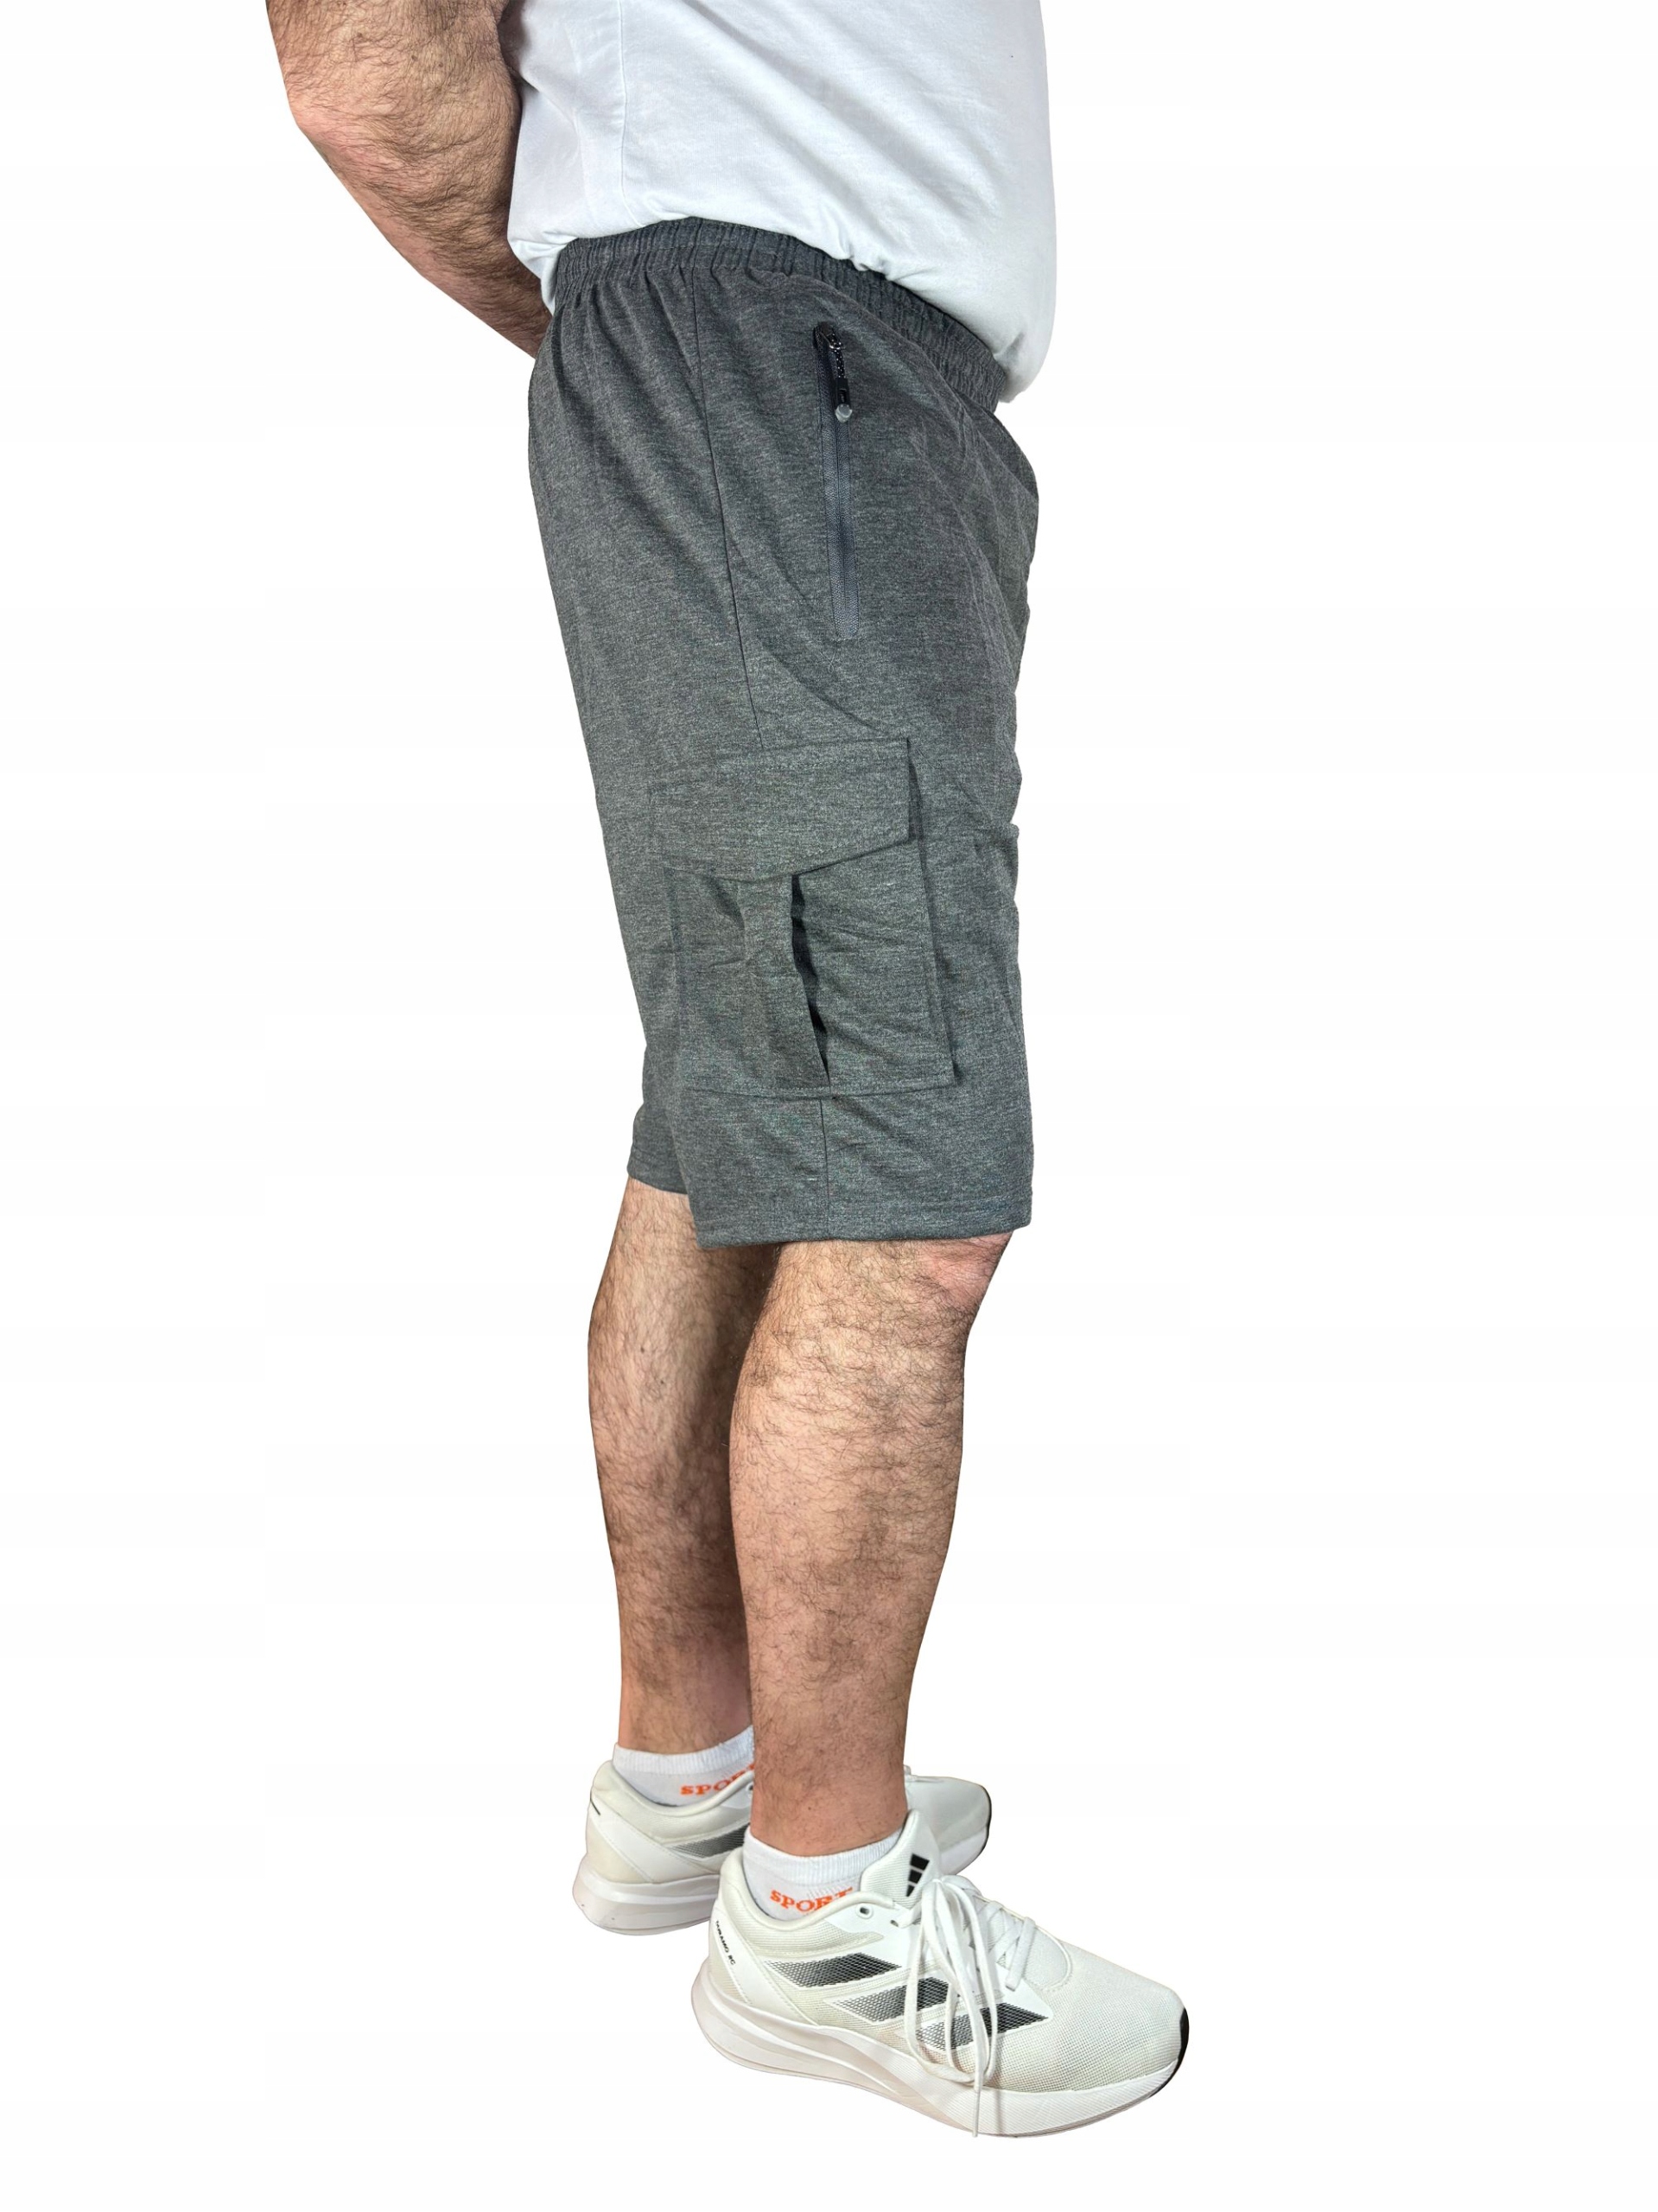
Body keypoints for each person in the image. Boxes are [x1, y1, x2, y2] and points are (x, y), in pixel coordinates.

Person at [268, 0, 1186, 2136]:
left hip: (808, 367)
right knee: (897, 1183)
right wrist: (662, 312)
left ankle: (697, 1775)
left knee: (732, 1123)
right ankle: (827, 1915)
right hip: (775, 356)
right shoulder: (727, 302)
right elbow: (360, 61)